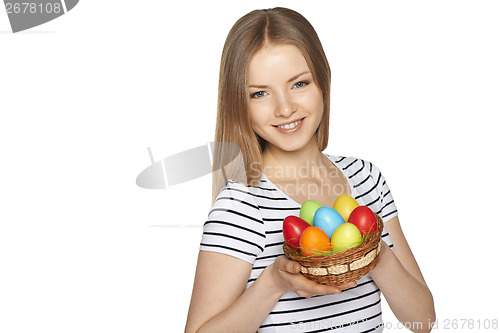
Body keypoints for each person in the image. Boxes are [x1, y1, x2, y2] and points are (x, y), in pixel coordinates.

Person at [185, 7, 435, 333]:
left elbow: (423, 320)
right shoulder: (242, 206)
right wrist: (272, 283)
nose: (285, 108)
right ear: (239, 105)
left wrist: (374, 255)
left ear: (322, 82)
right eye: (260, 93)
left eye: (299, 84)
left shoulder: (366, 179)